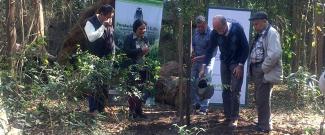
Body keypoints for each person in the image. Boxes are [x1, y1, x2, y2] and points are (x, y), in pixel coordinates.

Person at [199, 15, 249, 127]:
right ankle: (228, 116)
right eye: (214, 28)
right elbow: (210, 50)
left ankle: (235, 118)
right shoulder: (215, 33)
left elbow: (245, 48)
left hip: (236, 63)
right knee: (225, 89)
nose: (216, 31)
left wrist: (240, 65)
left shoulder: (237, 28)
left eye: (218, 28)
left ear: (225, 24)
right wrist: (203, 66)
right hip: (224, 63)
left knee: (235, 90)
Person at [249, 11, 283, 133]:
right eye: (254, 24)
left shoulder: (271, 33)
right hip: (257, 70)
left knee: (262, 99)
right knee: (260, 98)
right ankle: (263, 122)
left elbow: (275, 54)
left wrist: (263, 68)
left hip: (264, 71)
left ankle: (264, 126)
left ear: (264, 21)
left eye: (256, 24)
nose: (255, 26)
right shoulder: (261, 33)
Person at [84, 4, 115, 115]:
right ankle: (93, 109)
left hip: (108, 58)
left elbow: (111, 39)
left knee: (104, 84)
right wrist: (103, 26)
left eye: (111, 17)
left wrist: (113, 54)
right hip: (95, 58)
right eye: (108, 17)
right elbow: (91, 38)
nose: (109, 19)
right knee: (94, 83)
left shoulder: (109, 22)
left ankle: (101, 108)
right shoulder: (90, 22)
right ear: (101, 14)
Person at [123, 19, 150, 119]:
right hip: (132, 67)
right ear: (135, 29)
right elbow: (126, 51)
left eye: (144, 29)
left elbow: (147, 52)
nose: (143, 30)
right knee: (132, 89)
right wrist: (140, 50)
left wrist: (147, 51)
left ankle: (139, 111)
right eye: (141, 29)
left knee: (141, 90)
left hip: (143, 68)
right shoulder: (129, 38)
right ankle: (131, 112)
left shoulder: (145, 39)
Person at [191, 15, 211, 115]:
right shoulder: (196, 31)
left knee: (204, 84)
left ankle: (204, 107)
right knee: (193, 82)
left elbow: (210, 53)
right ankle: (196, 105)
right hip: (195, 61)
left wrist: (198, 58)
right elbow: (193, 44)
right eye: (198, 27)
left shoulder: (211, 34)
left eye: (202, 27)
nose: (199, 29)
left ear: (206, 24)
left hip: (206, 62)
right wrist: (192, 51)